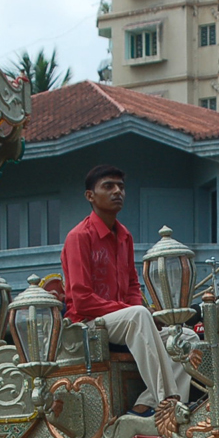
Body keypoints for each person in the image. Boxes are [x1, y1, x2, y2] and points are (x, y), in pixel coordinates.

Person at [60, 164, 192, 417]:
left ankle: (147, 404)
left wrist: (137, 308)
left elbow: (133, 284)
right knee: (139, 315)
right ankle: (169, 404)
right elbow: (82, 300)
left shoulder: (125, 236)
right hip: (87, 324)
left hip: (124, 320)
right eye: (108, 186)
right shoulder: (79, 236)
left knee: (185, 336)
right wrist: (134, 309)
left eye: (121, 186)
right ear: (90, 196)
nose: (117, 191)